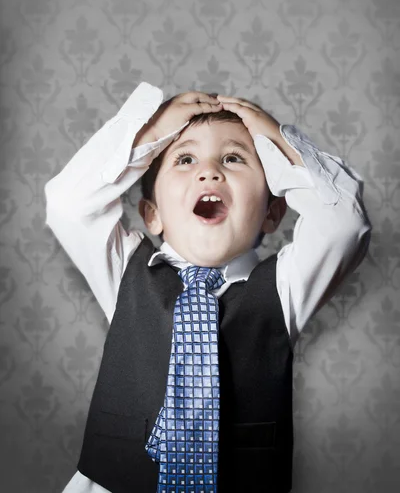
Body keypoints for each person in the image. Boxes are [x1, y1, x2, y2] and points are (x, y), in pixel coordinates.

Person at [44, 81, 372, 493]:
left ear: (272, 213)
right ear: (152, 215)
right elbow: (67, 205)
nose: (209, 171)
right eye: (184, 159)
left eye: (234, 158)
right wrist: (151, 132)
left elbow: (345, 224)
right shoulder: (125, 272)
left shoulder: (285, 289)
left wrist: (274, 138)